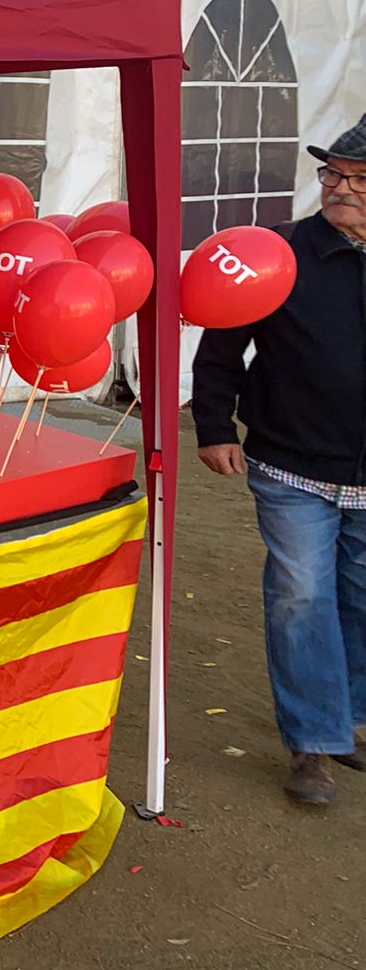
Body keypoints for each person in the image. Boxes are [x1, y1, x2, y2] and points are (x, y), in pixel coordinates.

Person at [193, 112, 366, 807]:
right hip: (292, 467)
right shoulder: (279, 254)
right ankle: (313, 743)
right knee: (301, 596)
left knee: (357, 599)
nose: (340, 188)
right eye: (333, 174)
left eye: (358, 179)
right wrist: (213, 425)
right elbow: (221, 345)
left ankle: (346, 717)